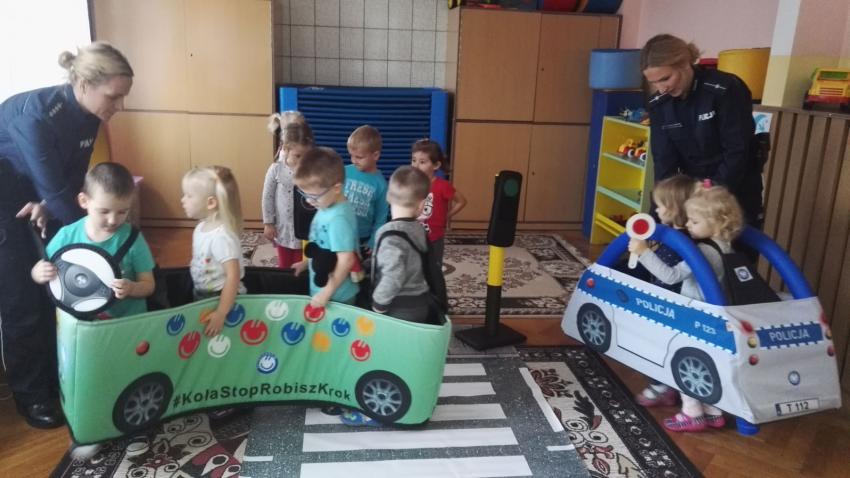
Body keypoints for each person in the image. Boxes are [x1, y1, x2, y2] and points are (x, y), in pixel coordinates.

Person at [0, 42, 133, 429]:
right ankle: (31, 396)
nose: (120, 106)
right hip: (5, 202)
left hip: (38, 197)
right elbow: (56, 188)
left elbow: (71, 180)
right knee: (23, 301)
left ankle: (58, 376)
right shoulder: (35, 116)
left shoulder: (89, 115)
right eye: (114, 96)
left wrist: (47, 203)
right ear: (85, 84)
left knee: (56, 288)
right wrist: (104, 238)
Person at [629, 184, 745, 432]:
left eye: (694, 221)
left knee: (682, 361)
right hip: (714, 315)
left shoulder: (703, 251)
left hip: (694, 315)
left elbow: (670, 276)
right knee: (704, 364)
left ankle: (692, 413)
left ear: (717, 223)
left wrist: (643, 252)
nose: (689, 225)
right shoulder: (726, 246)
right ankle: (713, 412)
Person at [641, 34, 764, 232]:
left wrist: (708, 196)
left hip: (734, 189)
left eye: (665, 78)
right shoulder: (660, 104)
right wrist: (659, 211)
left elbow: (737, 151)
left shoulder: (725, 90)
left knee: (731, 247)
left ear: (684, 63)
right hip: (691, 192)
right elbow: (664, 162)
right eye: (654, 83)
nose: (661, 88)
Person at [31, 162, 155, 318]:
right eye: (104, 211)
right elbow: (43, 268)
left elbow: (148, 285)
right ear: (84, 201)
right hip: (81, 324)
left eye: (122, 212)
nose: (113, 220)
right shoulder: (66, 236)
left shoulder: (134, 239)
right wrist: (37, 273)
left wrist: (132, 288)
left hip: (126, 323)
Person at [632, 174, 696, 408]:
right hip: (666, 302)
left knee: (657, 344)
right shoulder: (671, 234)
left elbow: (669, 276)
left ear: (674, 208)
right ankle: (669, 387)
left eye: (660, 206)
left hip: (672, 306)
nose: (656, 210)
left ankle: (660, 387)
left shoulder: (685, 242)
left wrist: (643, 252)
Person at [181, 166, 246, 337]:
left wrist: (221, 312)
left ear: (210, 203)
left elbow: (233, 276)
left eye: (188, 196)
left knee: (222, 335)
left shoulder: (222, 237)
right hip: (202, 292)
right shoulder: (201, 227)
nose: (183, 200)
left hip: (221, 298)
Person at [293, 147, 359, 307]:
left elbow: (347, 260)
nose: (308, 201)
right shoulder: (326, 205)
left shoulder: (338, 219)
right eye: (304, 194)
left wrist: (326, 293)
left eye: (313, 196)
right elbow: (322, 243)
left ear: (336, 188)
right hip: (322, 289)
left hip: (337, 297)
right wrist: (307, 263)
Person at [371, 166, 433, 323]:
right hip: (420, 302)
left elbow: (393, 276)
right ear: (422, 205)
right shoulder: (419, 229)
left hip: (398, 307)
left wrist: (378, 305)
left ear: (388, 196)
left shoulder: (389, 236)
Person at [410, 138, 467, 307]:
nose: (416, 165)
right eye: (413, 160)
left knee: (434, 271)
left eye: (422, 162)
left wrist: (446, 216)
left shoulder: (443, 186)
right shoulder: (411, 183)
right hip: (414, 237)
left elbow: (461, 201)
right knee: (414, 269)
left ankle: (436, 302)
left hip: (435, 239)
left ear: (435, 165)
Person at [261, 111, 315, 269]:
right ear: (285, 148)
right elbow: (267, 197)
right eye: (298, 156)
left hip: (305, 230)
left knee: (302, 267)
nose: (302, 161)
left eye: (306, 156)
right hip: (283, 228)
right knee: (284, 267)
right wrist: (268, 223)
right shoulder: (276, 169)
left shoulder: (313, 170)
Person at [343, 125, 389, 254]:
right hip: (340, 232)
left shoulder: (381, 184)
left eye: (359, 157)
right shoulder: (343, 171)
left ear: (375, 155)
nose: (354, 160)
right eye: (351, 156)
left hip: (362, 239)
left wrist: (374, 240)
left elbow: (381, 217)